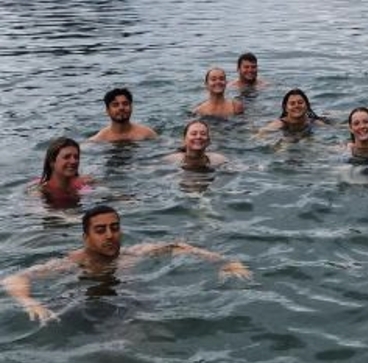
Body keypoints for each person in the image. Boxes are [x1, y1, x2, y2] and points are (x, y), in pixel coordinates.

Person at [1, 205, 251, 324]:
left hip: (130, 305)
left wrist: (225, 262)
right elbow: (13, 278)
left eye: (115, 228)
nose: (110, 235)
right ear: (85, 237)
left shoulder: (132, 254)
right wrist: (30, 302)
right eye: (101, 230)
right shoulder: (70, 263)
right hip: (81, 307)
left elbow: (179, 246)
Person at [33, 137, 94, 208]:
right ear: (52, 162)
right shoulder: (40, 189)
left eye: (76, 157)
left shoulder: (83, 183)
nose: (73, 161)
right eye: (67, 157)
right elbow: (36, 211)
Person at [86, 86, 158, 143]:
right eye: (115, 105)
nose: (121, 108)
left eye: (125, 104)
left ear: (131, 107)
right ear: (107, 110)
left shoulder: (146, 134)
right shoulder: (99, 139)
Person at [258, 89, 329, 136]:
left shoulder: (314, 122)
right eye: (292, 103)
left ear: (307, 105)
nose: (297, 106)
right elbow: (260, 134)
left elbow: (331, 132)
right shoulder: (279, 124)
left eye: (300, 102)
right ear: (285, 108)